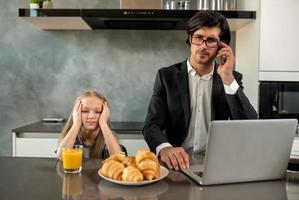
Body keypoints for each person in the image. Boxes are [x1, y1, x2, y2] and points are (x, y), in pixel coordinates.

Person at [143, 11, 258, 171]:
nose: (203, 46)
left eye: (211, 40)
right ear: (190, 39)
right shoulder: (166, 76)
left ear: (221, 45)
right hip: (175, 165)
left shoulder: (232, 78)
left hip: (216, 165)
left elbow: (250, 125)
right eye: (198, 37)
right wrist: (164, 148)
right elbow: (151, 125)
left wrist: (228, 79)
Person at [57, 91, 123, 160]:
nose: (91, 116)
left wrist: (103, 123)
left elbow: (119, 159)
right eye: (85, 111)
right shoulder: (71, 136)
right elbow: (61, 157)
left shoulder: (109, 136)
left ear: (105, 114)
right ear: (76, 113)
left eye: (98, 112)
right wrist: (76, 123)